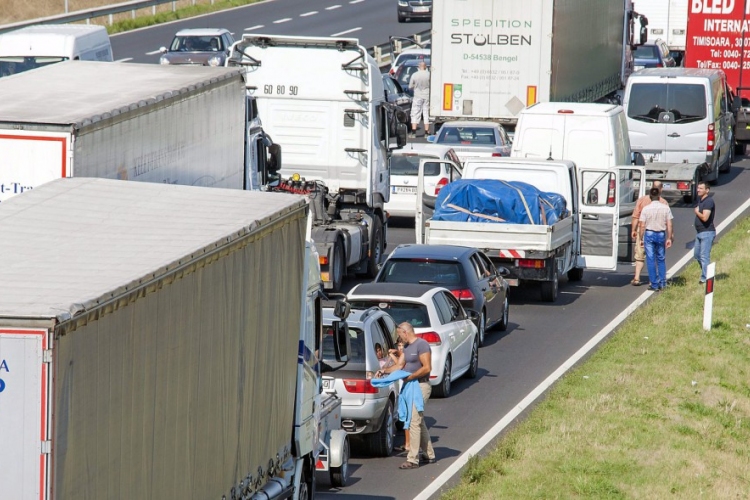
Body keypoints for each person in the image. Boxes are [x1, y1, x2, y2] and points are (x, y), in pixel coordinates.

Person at [381, 322, 435, 469]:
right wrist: (384, 371)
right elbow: (399, 365)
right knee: (419, 421)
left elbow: (427, 368)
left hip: (421, 386)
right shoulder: (406, 347)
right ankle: (429, 454)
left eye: (399, 335)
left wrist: (411, 377)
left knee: (414, 421)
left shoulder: (421, 345)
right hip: (409, 386)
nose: (399, 339)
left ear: (405, 332)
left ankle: (413, 459)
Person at [630, 180, 667, 286]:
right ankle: (654, 280)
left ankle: (637, 278)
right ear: (661, 189)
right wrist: (669, 235)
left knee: (640, 254)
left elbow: (636, 216)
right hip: (659, 231)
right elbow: (667, 220)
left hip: (644, 230)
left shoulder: (642, 200)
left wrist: (634, 230)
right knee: (657, 257)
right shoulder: (663, 202)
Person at [639, 186, 674, 291]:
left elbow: (642, 226)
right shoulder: (666, 208)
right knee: (661, 259)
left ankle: (654, 284)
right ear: (659, 196)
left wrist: (641, 238)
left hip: (649, 234)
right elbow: (669, 224)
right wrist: (669, 237)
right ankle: (663, 283)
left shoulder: (646, 209)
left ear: (650, 197)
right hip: (661, 234)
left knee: (650, 259)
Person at [693, 181, 716, 284]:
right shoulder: (700, 200)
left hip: (707, 232)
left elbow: (705, 218)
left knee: (704, 256)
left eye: (701, 188)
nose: (698, 190)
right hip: (699, 232)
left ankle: (705, 278)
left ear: (707, 190)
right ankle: (708, 273)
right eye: (698, 188)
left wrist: (697, 212)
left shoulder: (708, 201)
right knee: (697, 255)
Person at [408, 61, 430, 138]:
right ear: (425, 67)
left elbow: (410, 86)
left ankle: (413, 132)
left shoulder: (415, 75)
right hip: (427, 96)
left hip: (417, 96)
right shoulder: (429, 75)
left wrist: (415, 86)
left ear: (418, 66)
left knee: (415, 113)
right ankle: (426, 132)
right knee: (426, 113)